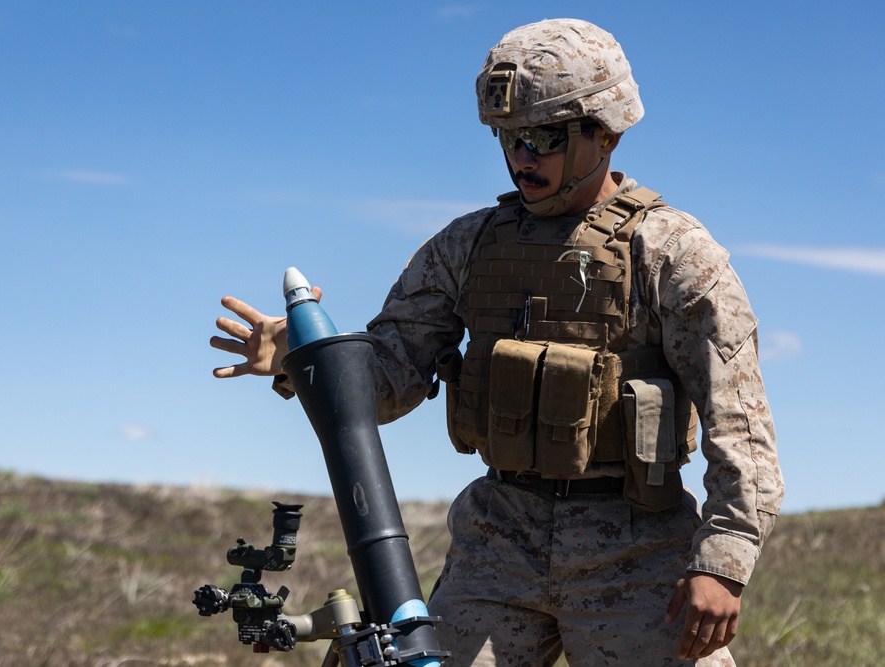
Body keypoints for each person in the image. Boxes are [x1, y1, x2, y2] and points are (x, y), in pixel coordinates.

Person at [210, 18, 783, 666]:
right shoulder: (468, 245)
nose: (521, 157)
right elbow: (392, 374)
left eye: (542, 135)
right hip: (498, 538)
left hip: (637, 541)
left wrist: (724, 560)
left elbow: (741, 423)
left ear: (607, 133)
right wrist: (304, 360)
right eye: (508, 137)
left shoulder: (674, 253)